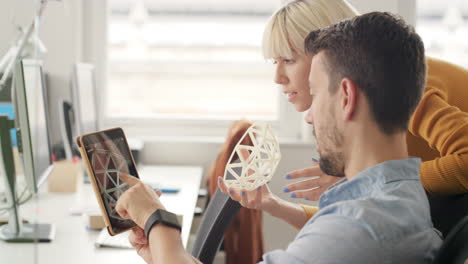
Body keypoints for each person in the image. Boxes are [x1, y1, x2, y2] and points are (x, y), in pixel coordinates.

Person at [116, 12, 442, 263]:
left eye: (315, 93)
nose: (310, 116)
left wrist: (159, 222)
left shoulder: (360, 227)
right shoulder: (397, 199)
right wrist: (162, 252)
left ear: (346, 97)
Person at [225, 0, 468, 232]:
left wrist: (375, 180)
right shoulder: (355, 116)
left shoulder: (395, 85)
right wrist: (275, 206)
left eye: (288, 60)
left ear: (328, 51)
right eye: (274, 62)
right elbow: (351, 223)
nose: (277, 77)